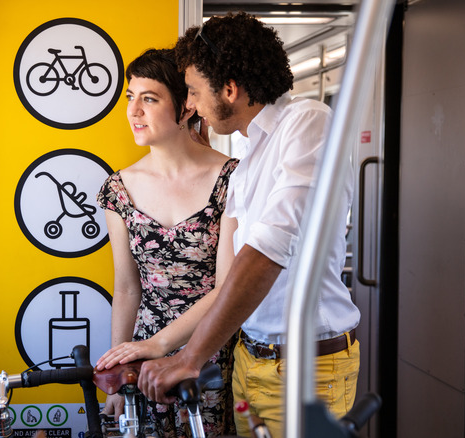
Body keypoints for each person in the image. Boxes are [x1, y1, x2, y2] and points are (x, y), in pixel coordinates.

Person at [131, 13, 361, 438]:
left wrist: (189, 357)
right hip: (250, 363)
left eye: (195, 92)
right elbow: (232, 272)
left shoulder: (308, 123)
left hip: (304, 366)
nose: (193, 106)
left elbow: (268, 251)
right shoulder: (247, 161)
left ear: (230, 90)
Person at [95, 48, 240, 437]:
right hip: (144, 362)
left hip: (210, 353)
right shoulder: (118, 188)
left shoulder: (230, 179)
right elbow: (127, 289)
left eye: (150, 98)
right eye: (130, 98)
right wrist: (119, 369)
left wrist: (162, 345)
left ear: (187, 107)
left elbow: (228, 288)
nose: (133, 111)